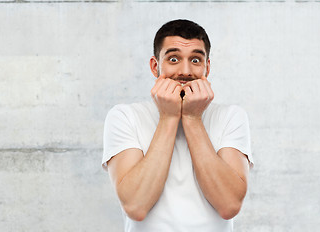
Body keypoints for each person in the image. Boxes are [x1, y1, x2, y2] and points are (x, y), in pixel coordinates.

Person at [102, 19, 253, 232]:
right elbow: (135, 206)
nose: (185, 71)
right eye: (173, 59)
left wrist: (192, 118)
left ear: (207, 68)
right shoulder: (125, 116)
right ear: (156, 66)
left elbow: (229, 205)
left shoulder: (231, 116)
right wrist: (168, 117)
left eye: (196, 60)